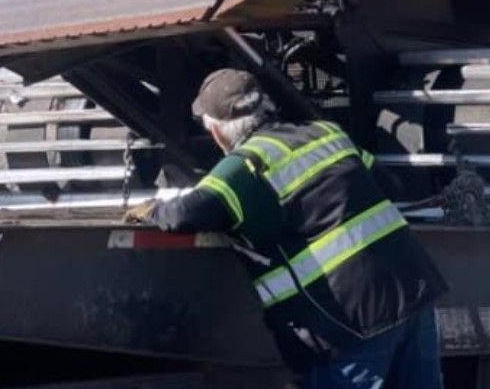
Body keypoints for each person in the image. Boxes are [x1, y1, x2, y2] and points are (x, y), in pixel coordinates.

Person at [125, 68, 448, 389]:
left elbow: (186, 213)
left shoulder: (244, 167)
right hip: (414, 293)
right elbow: (390, 184)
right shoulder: (327, 133)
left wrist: (152, 210)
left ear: (217, 132)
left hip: (353, 322)